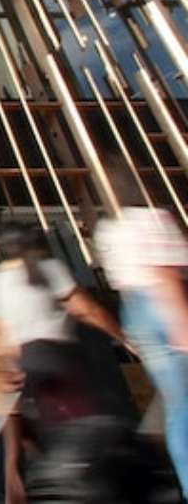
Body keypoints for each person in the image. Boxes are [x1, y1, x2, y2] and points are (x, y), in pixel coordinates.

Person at [0, 222, 129, 503]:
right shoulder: (49, 269)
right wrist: (124, 338)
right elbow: (86, 310)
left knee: (52, 442)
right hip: (59, 360)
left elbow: (0, 338)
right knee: (85, 436)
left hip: (25, 366)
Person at [97, 207, 188, 496]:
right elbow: (164, 274)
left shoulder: (108, 227)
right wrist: (181, 322)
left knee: (178, 406)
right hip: (159, 304)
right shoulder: (151, 216)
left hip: (134, 310)